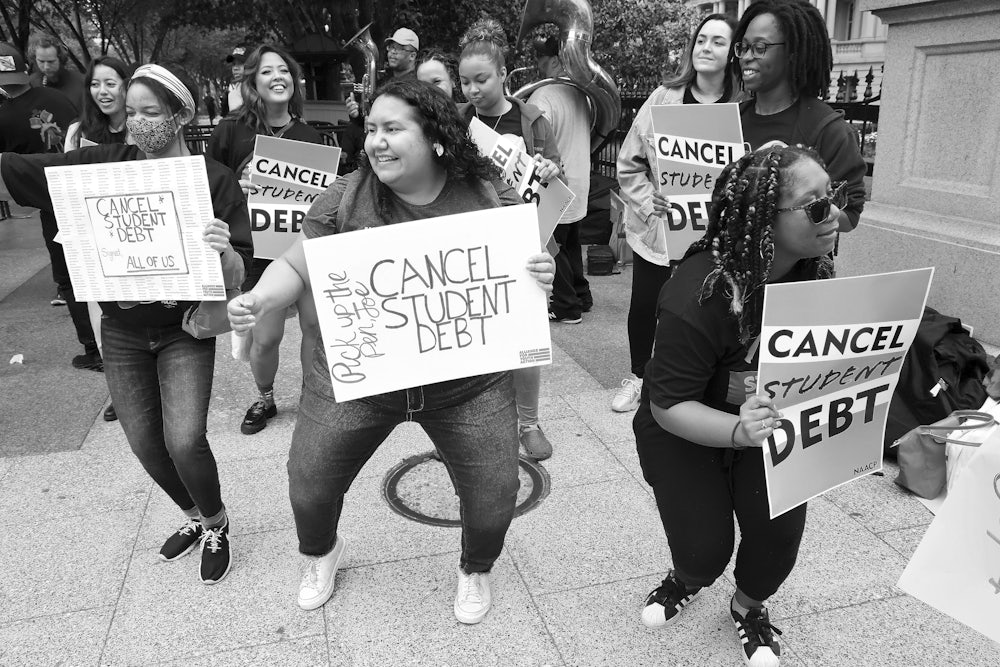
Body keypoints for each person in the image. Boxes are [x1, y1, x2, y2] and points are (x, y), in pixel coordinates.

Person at [226, 79, 555, 621]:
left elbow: (526, 262)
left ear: (435, 137)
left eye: (392, 128)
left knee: (496, 492)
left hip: (468, 385)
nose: (376, 140)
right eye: (372, 129)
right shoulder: (346, 196)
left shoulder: (487, 190)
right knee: (309, 486)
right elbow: (295, 263)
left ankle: (476, 568)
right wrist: (259, 298)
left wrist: (539, 271)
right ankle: (322, 554)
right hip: (357, 381)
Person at [0, 63, 253, 585]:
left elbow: (239, 273)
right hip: (121, 331)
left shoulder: (213, 179)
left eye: (150, 112)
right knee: (144, 442)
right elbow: (26, 170)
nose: (137, 122)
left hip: (185, 328)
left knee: (184, 439)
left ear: (181, 116)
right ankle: (195, 516)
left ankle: (217, 524)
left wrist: (223, 249)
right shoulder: (103, 165)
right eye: (131, 111)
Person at [633, 145, 841, 667]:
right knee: (703, 549)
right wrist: (736, 432)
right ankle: (688, 578)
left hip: (770, 423)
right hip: (685, 426)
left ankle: (748, 608)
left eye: (832, 196)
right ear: (764, 218)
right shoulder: (698, 293)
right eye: (816, 206)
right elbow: (669, 405)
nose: (835, 213)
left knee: (777, 538)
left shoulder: (815, 273)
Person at [613, 13, 741, 413]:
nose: (706, 47)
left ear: (733, 52)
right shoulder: (663, 97)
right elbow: (629, 164)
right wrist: (648, 200)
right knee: (646, 303)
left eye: (718, 41)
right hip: (660, 228)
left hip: (717, 235)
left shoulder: (743, 106)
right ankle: (639, 376)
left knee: (706, 306)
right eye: (701, 39)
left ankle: (698, 381)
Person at [457, 17, 561, 461]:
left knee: (526, 337)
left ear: (503, 74)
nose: (472, 89)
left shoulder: (532, 119)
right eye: (465, 81)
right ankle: (462, 424)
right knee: (470, 336)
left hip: (524, 242)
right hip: (469, 241)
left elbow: (556, 173)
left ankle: (528, 422)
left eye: (481, 79)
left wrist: (552, 169)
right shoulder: (456, 120)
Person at [209, 44, 324, 436]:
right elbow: (210, 186)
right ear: (252, 82)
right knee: (266, 338)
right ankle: (266, 397)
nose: (278, 77)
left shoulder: (310, 135)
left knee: (314, 328)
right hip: (258, 253)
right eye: (267, 71)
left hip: (303, 247)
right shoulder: (230, 130)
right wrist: (234, 189)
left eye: (284, 70)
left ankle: (313, 398)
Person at [0, 41, 97, 369]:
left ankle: (93, 349)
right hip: (84, 189)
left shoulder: (3, 116)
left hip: (50, 201)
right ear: (25, 68)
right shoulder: (58, 99)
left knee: (68, 277)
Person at [734, 0, 866, 233]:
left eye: (759, 47)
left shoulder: (829, 130)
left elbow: (849, 216)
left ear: (793, 53)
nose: (746, 56)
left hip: (793, 259)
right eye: (743, 47)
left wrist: (789, 208)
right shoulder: (730, 118)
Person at [64, 55, 134, 422]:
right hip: (95, 234)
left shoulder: (143, 126)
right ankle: (120, 391)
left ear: (126, 85)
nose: (102, 91)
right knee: (101, 315)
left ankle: (148, 380)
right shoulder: (78, 132)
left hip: (137, 232)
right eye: (95, 84)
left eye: (110, 83)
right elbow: (67, 182)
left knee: (139, 311)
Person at [528, 36, 593, 324]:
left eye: (541, 59)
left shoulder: (542, 97)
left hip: (556, 181)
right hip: (580, 179)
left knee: (555, 247)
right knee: (572, 242)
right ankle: (582, 295)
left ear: (554, 60)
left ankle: (567, 307)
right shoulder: (581, 93)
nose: (538, 65)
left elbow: (537, 144)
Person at [346, 27, 420, 121]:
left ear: (412, 56)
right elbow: (371, 116)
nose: (393, 51)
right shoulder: (385, 80)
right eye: (392, 47)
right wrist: (357, 114)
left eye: (400, 48)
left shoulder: (416, 84)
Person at [27, 34, 84, 112]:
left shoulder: (82, 83)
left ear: (61, 59)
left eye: (51, 62)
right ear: (34, 59)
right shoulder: (31, 83)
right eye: (41, 61)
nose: (46, 67)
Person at [223, 46, 247, 115]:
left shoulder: (261, 91)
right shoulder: (232, 91)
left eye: (240, 63)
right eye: (234, 64)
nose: (235, 68)